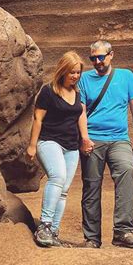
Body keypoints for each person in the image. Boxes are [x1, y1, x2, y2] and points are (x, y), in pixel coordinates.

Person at [78, 40, 133, 249]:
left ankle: (123, 232)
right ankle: (92, 238)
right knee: (91, 185)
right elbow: (81, 110)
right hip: (92, 138)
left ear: (111, 55)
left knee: (127, 173)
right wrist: (84, 138)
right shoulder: (83, 79)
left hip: (119, 138)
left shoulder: (126, 76)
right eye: (93, 58)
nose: (97, 62)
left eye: (101, 57)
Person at [27, 51, 93, 247]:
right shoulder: (49, 91)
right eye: (71, 72)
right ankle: (44, 226)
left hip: (71, 146)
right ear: (62, 71)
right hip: (49, 141)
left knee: (64, 190)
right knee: (57, 177)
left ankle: (54, 232)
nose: (74, 76)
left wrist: (85, 139)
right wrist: (32, 145)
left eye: (77, 72)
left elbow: (81, 115)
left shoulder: (78, 92)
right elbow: (38, 118)